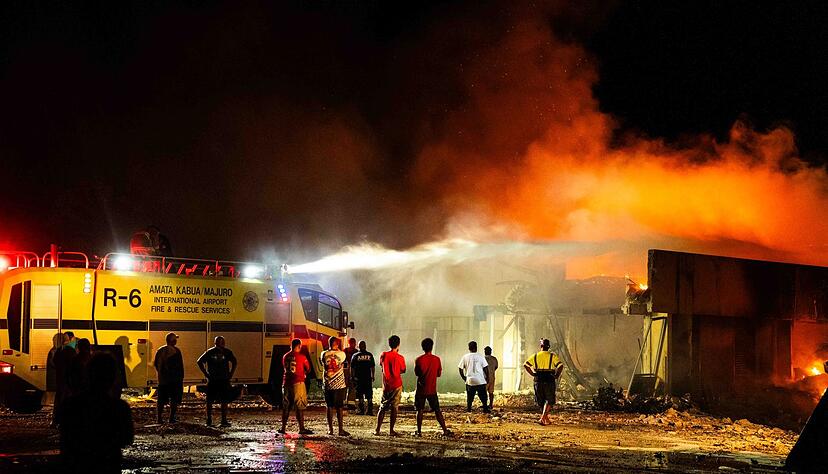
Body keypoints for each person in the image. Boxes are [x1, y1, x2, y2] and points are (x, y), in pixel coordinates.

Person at [60, 352, 134, 472]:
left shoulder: (71, 404)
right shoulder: (119, 407)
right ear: (113, 377)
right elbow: (127, 439)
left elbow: (66, 441)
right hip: (108, 464)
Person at [197, 336, 237, 427]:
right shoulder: (227, 352)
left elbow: (199, 361)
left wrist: (206, 374)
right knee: (224, 400)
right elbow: (234, 361)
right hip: (223, 379)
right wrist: (231, 373)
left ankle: (209, 420)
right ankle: (223, 420)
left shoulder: (210, 352)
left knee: (210, 400)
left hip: (213, 379)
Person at [414, 338, 451, 436]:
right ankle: (445, 430)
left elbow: (417, 373)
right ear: (432, 347)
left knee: (420, 410)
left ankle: (419, 431)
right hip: (432, 389)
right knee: (437, 410)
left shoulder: (418, 359)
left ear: (422, 348)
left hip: (421, 389)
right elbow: (438, 374)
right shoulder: (437, 359)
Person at [523, 338, 564, 426]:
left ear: (541, 346)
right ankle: (543, 418)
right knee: (549, 400)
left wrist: (533, 374)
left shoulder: (535, 356)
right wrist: (556, 375)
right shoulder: (552, 356)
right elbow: (560, 366)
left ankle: (544, 418)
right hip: (549, 379)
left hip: (538, 380)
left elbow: (525, 365)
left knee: (541, 400)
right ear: (549, 347)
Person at [278, 338, 313, 435]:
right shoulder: (302, 357)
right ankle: (301, 428)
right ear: (299, 346)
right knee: (300, 405)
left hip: (286, 383)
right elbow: (308, 368)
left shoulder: (285, 356)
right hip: (298, 382)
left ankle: (283, 428)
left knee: (286, 406)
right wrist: (304, 372)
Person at [375, 334, 405, 436]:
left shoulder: (383, 355)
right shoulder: (400, 357)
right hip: (397, 384)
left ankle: (377, 429)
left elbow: (381, 366)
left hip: (386, 385)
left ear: (389, 344)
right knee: (394, 408)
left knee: (382, 407)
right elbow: (403, 370)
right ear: (399, 344)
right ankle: (391, 430)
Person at [321, 336, 350, 436]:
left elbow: (324, 364)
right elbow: (344, 364)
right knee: (339, 407)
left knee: (329, 406)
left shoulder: (323, 354)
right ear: (337, 344)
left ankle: (330, 429)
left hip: (328, 384)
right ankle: (340, 430)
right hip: (339, 384)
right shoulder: (342, 354)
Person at [153, 332, 184, 424]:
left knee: (161, 400)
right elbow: (179, 366)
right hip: (175, 380)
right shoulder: (176, 351)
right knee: (174, 399)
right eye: (175, 339)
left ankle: (159, 418)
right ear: (173, 341)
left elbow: (156, 365)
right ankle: (171, 418)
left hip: (163, 380)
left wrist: (161, 375)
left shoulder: (160, 350)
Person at [458, 341, 490, 413]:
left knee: (470, 396)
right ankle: (485, 408)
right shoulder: (481, 356)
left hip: (470, 380)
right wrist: (487, 378)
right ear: (476, 347)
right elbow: (486, 368)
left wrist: (464, 377)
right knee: (483, 396)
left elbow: (460, 368)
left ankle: (469, 409)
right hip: (480, 380)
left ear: (469, 348)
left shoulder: (465, 357)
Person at [52, 333, 76, 427]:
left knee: (59, 400)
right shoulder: (71, 351)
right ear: (71, 338)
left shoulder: (59, 350)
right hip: (68, 381)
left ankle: (56, 420)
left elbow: (54, 363)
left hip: (60, 380)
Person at [350, 340, 375, 415]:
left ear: (359, 346)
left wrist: (352, 377)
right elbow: (372, 366)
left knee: (360, 393)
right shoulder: (369, 355)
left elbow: (352, 367)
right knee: (369, 394)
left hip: (359, 378)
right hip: (367, 378)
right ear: (365, 346)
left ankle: (361, 410)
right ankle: (370, 410)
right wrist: (373, 376)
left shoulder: (355, 356)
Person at [343, 337, 358, 409]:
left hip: (347, 371)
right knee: (351, 387)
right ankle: (350, 403)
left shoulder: (345, 351)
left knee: (346, 386)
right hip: (350, 371)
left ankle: (344, 402)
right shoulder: (356, 352)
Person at [484, 346, 499, 410]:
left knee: (484, 392)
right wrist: (491, 371)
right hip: (492, 377)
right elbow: (496, 367)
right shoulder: (494, 359)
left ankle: (484, 404)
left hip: (485, 378)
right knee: (491, 392)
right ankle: (490, 404)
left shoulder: (483, 359)